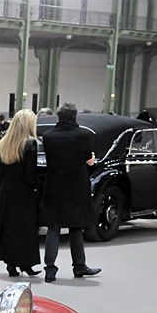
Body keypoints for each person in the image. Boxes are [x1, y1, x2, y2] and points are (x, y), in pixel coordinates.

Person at [39, 102, 101, 282]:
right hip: (76, 186)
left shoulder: (48, 136)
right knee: (76, 227)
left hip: (54, 186)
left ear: (58, 116)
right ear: (75, 116)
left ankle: (50, 270)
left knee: (53, 228)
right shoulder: (84, 135)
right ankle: (79, 266)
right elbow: (89, 160)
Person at [0, 109, 42, 277]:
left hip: (7, 190)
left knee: (9, 227)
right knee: (26, 229)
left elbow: (1, 172)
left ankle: (11, 265)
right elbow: (30, 174)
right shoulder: (30, 144)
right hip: (23, 191)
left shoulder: (4, 143)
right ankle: (26, 263)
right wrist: (37, 187)